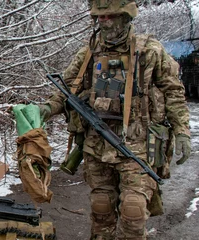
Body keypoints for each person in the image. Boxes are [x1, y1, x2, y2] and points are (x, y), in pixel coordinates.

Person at [37, 1, 191, 239]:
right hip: (97, 144)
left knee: (133, 210)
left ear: (125, 17)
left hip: (137, 145)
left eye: (109, 16)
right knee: (101, 208)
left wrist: (182, 131)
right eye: (100, 17)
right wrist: (47, 108)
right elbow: (66, 89)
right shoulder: (89, 52)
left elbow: (173, 91)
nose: (103, 21)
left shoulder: (149, 50)